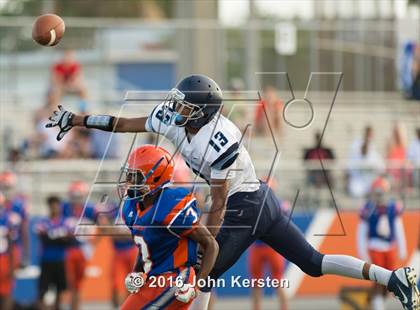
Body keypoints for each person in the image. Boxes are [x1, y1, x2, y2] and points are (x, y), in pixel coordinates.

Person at [47, 74, 419, 310]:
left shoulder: (218, 138)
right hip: (262, 198)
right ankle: (394, 278)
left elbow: (221, 202)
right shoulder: (178, 120)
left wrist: (205, 244)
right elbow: (124, 123)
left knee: (198, 271)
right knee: (314, 263)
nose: (176, 110)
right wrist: (78, 120)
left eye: (185, 106)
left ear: (203, 114)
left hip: (246, 203)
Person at [119, 145, 218, 309]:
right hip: (154, 279)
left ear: (156, 178)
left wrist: (196, 286)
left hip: (176, 279)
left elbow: (211, 245)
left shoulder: (170, 205)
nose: (129, 181)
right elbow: (147, 245)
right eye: (129, 174)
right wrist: (137, 272)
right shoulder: (132, 207)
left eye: (135, 176)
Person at [357, 176, 408, 310]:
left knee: (390, 280)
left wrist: (402, 248)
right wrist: (363, 252)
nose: (380, 196)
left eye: (382, 193)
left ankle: (377, 302)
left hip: (390, 246)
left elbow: (398, 228)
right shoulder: (368, 208)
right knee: (378, 278)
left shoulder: (393, 207)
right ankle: (377, 304)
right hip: (375, 246)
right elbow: (361, 233)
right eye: (377, 193)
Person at [248, 177, 288, 310]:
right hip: (261, 247)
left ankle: (283, 307)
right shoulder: (255, 204)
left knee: (276, 281)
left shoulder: (280, 205)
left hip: (271, 247)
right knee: (258, 283)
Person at [61, 181, 97, 310]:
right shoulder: (64, 207)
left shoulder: (90, 209)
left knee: (77, 284)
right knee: (68, 283)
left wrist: (93, 243)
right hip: (67, 249)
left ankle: (75, 307)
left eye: (78, 196)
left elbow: (102, 225)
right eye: (74, 196)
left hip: (83, 249)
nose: (76, 199)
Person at [36, 196, 73, 310]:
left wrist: (52, 236)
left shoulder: (66, 221)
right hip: (46, 260)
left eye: (56, 206)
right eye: (52, 206)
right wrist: (60, 237)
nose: (54, 208)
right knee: (42, 291)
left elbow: (69, 241)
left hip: (60, 260)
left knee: (60, 291)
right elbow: (44, 239)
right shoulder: (43, 221)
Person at [0, 171, 30, 268]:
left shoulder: (19, 205)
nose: (6, 190)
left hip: (13, 246)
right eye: (4, 187)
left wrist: (25, 255)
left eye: (8, 187)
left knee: (9, 280)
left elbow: (24, 231)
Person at [347, 126, 385, 198]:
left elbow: (382, 168)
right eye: (363, 146)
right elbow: (350, 169)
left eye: (366, 146)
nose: (365, 147)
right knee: (355, 190)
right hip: (359, 183)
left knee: (380, 187)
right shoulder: (355, 156)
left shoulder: (374, 155)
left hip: (371, 183)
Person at [0, 192, 16, 310]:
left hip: (3, 258)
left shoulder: (7, 220)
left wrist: (11, 264)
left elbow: (11, 243)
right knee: (6, 293)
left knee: (6, 293)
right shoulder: (8, 219)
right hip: (4, 258)